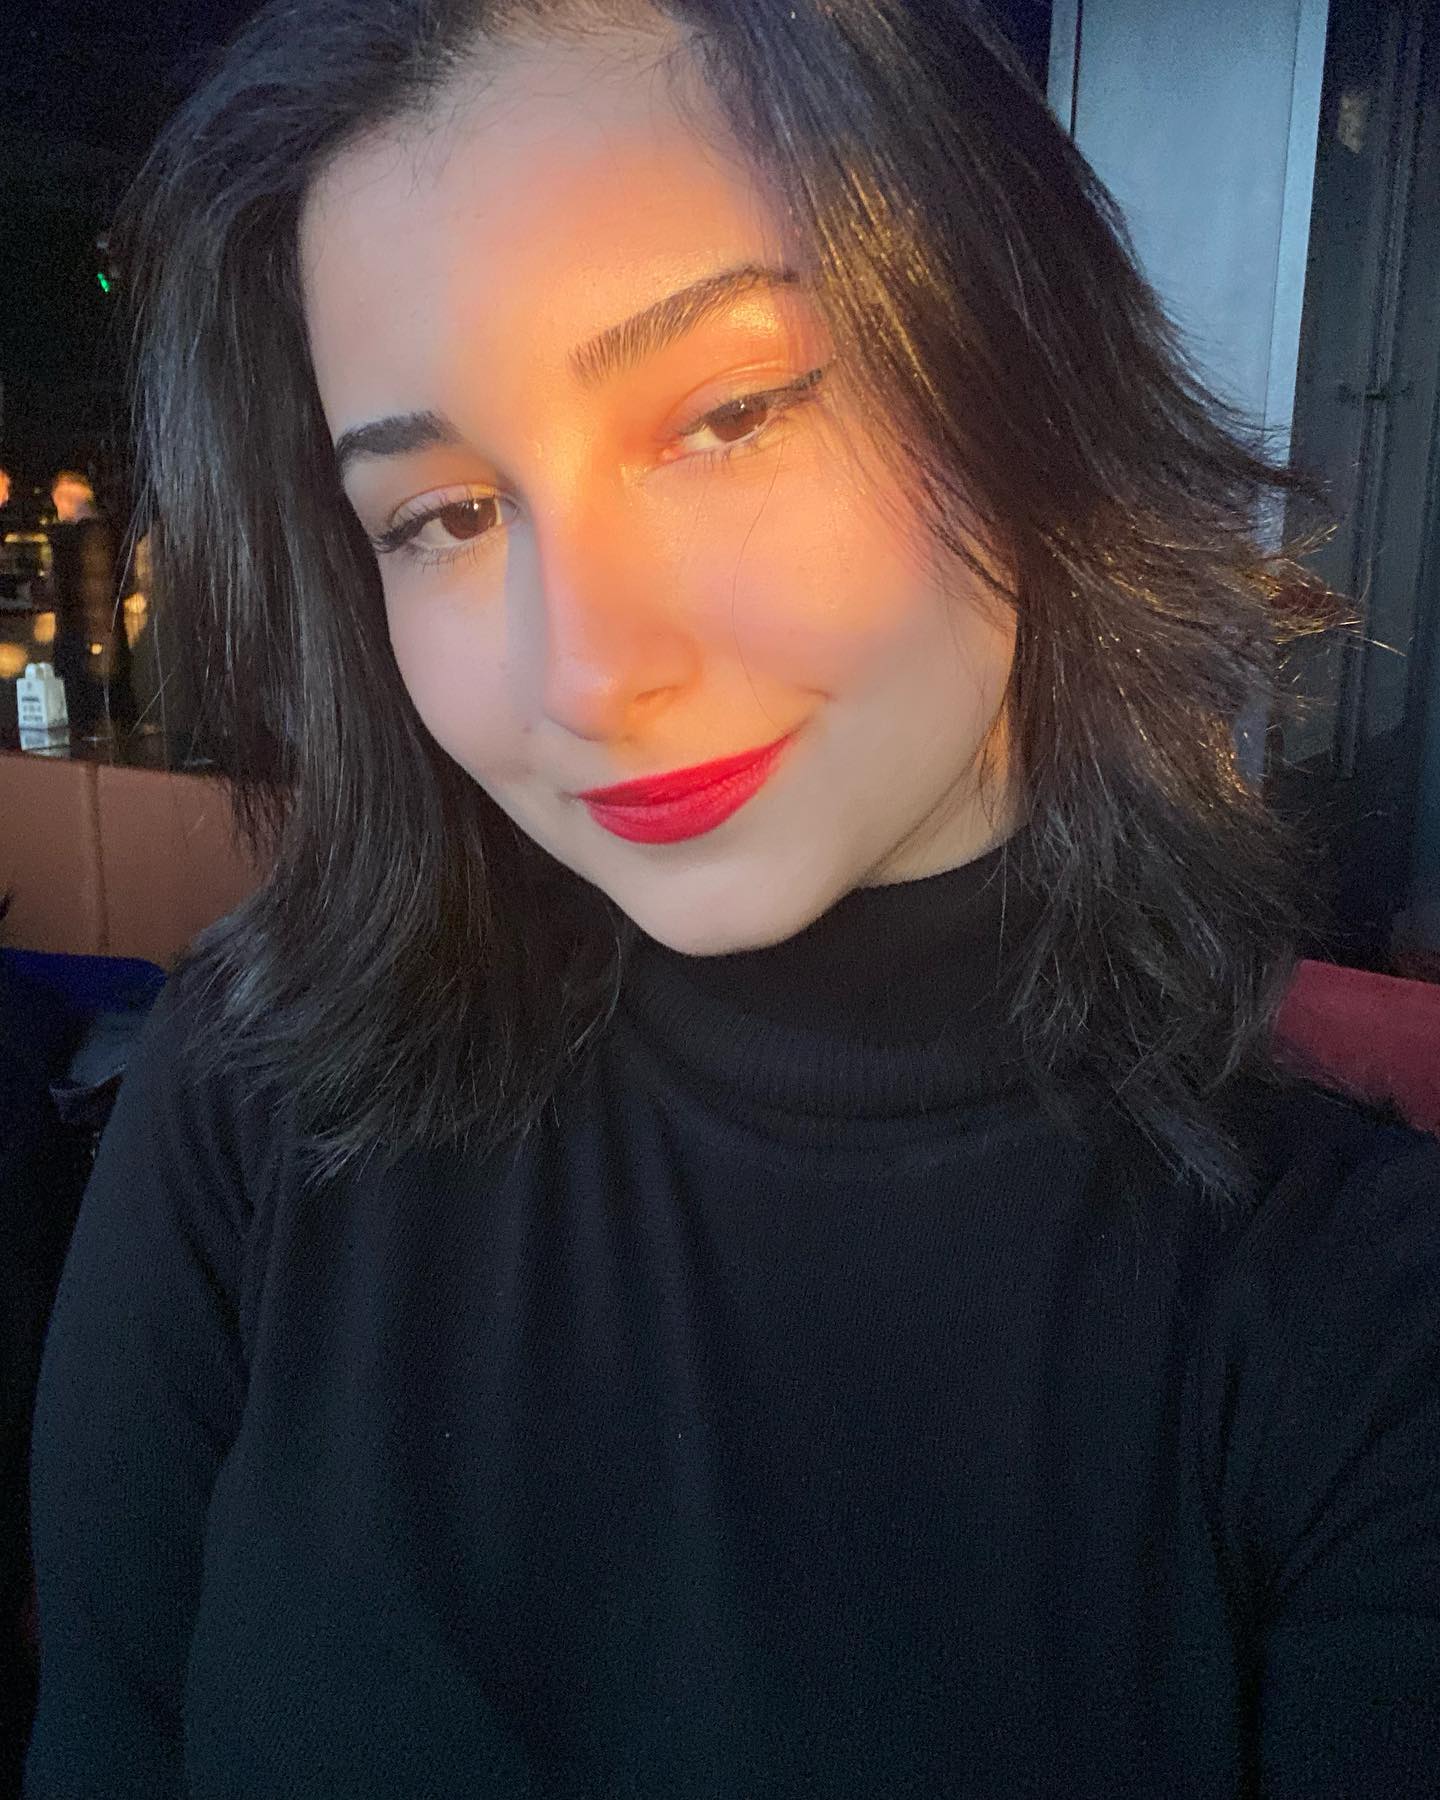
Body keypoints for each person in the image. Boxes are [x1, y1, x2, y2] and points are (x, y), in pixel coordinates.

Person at [23, 2, 1440, 1796]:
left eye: (730, 414)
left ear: (1028, 367)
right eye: (444, 516)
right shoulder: (261, 1091)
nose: (584, 672)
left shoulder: (1357, 1331)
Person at [43, 469, 136, 735]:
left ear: (68, 498)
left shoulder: (77, 539)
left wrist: (95, 647)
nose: (58, 509)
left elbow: (88, 593)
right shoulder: (110, 533)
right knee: (116, 722)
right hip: (103, 644)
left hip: (83, 646)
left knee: (86, 723)